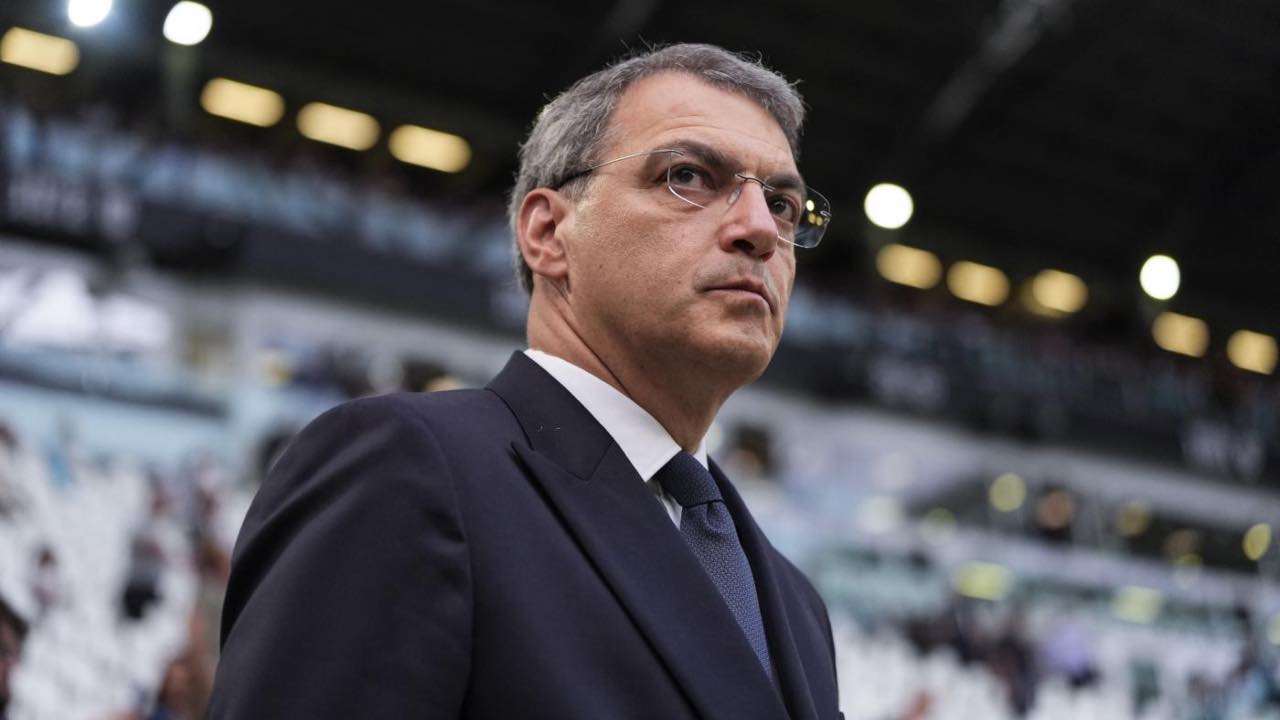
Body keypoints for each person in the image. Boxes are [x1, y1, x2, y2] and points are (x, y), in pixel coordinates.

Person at [209, 43, 840, 719]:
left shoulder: (796, 605)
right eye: (687, 176)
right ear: (548, 232)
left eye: (782, 203)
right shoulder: (405, 468)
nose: (759, 229)